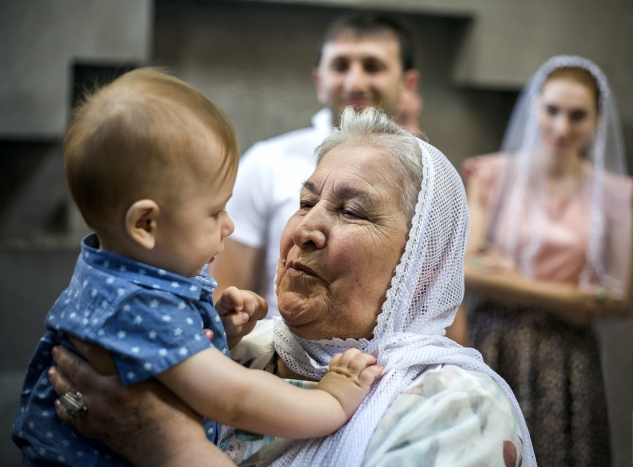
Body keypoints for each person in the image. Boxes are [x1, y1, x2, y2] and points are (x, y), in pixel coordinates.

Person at [48, 107, 538, 467]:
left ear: (424, 267)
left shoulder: (455, 408)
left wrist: (162, 442)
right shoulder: (235, 349)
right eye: (306, 202)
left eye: (350, 211)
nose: (306, 228)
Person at [12, 69, 382, 467]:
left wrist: (212, 332)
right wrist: (332, 400)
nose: (230, 225)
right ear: (145, 225)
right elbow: (235, 398)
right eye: (215, 211)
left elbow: (150, 363)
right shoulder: (135, 302)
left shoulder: (116, 277)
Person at [455, 56, 633, 466]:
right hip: (495, 344)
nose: (562, 127)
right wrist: (568, 299)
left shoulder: (614, 194)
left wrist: (512, 278)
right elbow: (466, 269)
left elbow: (622, 298)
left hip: (568, 356)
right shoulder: (489, 174)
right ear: (535, 106)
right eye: (552, 110)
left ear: (597, 121)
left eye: (577, 116)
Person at [209, 12, 421, 318]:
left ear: (408, 83)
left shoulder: (428, 179)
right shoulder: (266, 162)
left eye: (373, 67)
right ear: (319, 81)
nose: (355, 82)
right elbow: (226, 297)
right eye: (340, 66)